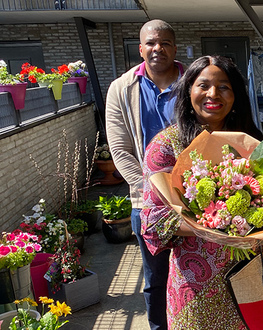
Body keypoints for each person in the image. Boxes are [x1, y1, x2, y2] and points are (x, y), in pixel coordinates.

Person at [140, 55, 263, 329]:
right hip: (196, 288)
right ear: (188, 91)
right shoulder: (167, 147)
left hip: (252, 279)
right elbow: (153, 222)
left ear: (235, 96)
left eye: (224, 86)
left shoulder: (250, 142)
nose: (213, 94)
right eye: (203, 85)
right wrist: (218, 224)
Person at [105, 19, 184, 330]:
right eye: (151, 43)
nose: (157, 48)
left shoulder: (196, 81)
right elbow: (120, 151)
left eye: (164, 43)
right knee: (156, 280)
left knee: (199, 274)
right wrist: (155, 192)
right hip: (147, 205)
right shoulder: (121, 89)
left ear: (174, 48)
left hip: (197, 201)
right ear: (141, 49)